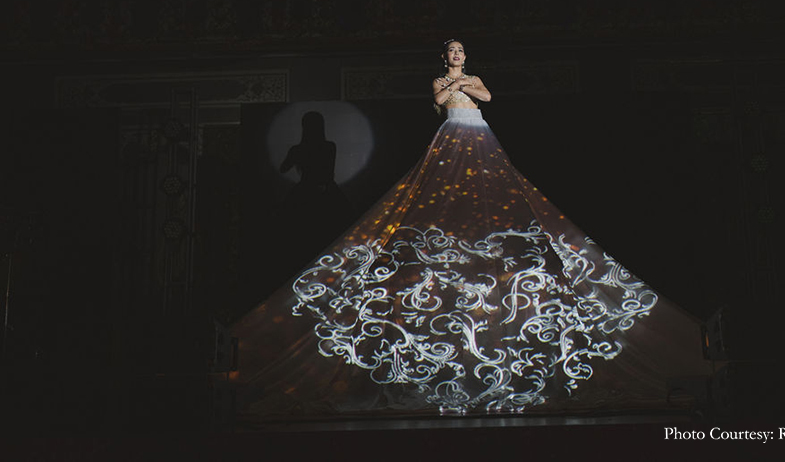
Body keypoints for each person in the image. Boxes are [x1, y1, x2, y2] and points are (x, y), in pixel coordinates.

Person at [231, 39, 712, 418]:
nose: (457, 58)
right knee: (435, 204)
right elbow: (441, 99)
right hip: (451, 138)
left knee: (501, 202)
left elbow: (484, 95)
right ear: (444, 57)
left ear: (466, 56)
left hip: (480, 135)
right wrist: (450, 87)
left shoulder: (473, 78)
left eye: (461, 52)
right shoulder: (439, 80)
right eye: (452, 53)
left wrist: (464, 86)